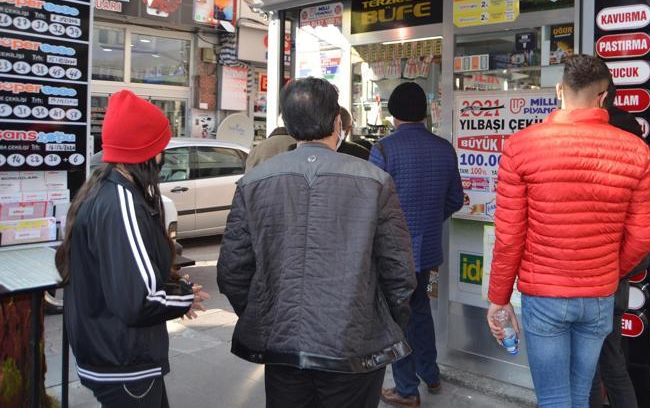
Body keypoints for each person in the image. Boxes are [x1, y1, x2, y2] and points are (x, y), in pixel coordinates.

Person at [217, 77, 416, 408]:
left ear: (289, 124)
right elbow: (399, 273)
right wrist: (383, 323)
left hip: (282, 346)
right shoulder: (375, 182)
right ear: (338, 122)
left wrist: (266, 315)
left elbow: (232, 272)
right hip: (353, 344)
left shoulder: (253, 182)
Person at [487, 54, 650, 408]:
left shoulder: (521, 146)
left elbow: (508, 237)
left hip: (544, 294)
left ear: (559, 90)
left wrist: (498, 299)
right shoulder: (635, 151)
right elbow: (644, 235)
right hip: (599, 294)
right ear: (603, 97)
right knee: (581, 395)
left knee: (553, 399)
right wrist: (609, 268)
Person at [55, 90, 208, 408]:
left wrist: (175, 293)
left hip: (113, 357)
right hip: (124, 363)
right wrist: (183, 297)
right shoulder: (121, 202)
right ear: (147, 152)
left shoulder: (102, 188)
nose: (164, 155)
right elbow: (138, 299)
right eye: (161, 147)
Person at [372, 82, 464, 408]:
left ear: (393, 112)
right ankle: (432, 374)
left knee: (398, 317)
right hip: (427, 251)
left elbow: (372, 204)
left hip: (393, 250)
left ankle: (407, 389)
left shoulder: (383, 149)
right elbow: (455, 199)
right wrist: (429, 220)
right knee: (421, 310)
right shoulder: (444, 148)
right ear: (424, 112)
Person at [589, 82, 650, 408]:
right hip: (619, 274)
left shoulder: (600, 142)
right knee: (612, 358)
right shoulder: (640, 146)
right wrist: (621, 268)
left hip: (594, 275)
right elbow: (643, 234)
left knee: (588, 364)